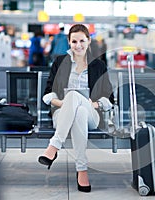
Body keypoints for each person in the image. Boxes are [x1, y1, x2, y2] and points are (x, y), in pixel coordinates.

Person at [38, 24, 114, 193]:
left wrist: (90, 103)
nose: (78, 45)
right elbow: (47, 95)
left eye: (82, 41)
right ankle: (82, 170)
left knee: (78, 103)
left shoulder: (98, 65)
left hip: (91, 114)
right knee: (76, 107)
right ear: (69, 42)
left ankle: (54, 146)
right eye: (74, 41)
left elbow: (109, 99)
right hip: (63, 113)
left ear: (89, 41)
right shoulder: (60, 62)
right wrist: (65, 103)